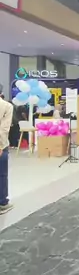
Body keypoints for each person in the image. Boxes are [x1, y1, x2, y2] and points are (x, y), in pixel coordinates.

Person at [0, 84, 14, 214]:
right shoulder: (6, 106)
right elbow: (4, 129)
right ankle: (2, 203)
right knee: (2, 174)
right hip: (1, 146)